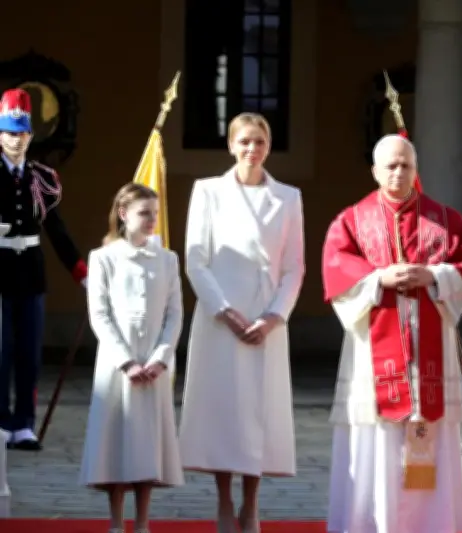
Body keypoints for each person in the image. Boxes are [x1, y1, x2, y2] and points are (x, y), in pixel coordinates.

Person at [322, 134, 462, 533]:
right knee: (375, 442)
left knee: (429, 441)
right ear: (375, 171)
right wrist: (379, 278)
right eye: (390, 165)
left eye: (405, 165)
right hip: (372, 357)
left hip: (430, 354)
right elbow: (336, 268)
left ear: (416, 169)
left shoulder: (445, 220)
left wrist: (433, 274)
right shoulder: (352, 220)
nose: (398, 172)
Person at [179, 112, 305, 533]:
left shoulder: (288, 197)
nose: (253, 149)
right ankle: (223, 499)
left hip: (266, 314)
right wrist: (223, 310)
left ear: (269, 146)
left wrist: (274, 315)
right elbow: (196, 259)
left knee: (258, 410)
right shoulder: (208, 191)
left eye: (260, 142)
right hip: (220, 314)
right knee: (223, 409)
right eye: (245, 141)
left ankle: (252, 504)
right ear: (231, 145)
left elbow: (294, 267)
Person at [79, 183, 184, 533]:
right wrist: (125, 360)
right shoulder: (103, 258)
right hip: (116, 365)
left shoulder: (167, 260)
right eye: (144, 213)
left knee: (147, 442)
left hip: (153, 364)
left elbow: (174, 314)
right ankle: (115, 519)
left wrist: (160, 357)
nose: (152, 220)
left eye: (155, 213)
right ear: (123, 214)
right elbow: (100, 314)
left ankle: (142, 521)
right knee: (116, 440)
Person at [0, 88, 87, 451]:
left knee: (29, 353)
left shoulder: (41, 178)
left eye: (21, 133)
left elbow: (56, 230)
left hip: (31, 275)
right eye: (8, 133)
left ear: (30, 136)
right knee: (0, 351)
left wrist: (81, 272)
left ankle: (24, 424)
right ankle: (2, 422)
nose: (15, 140)